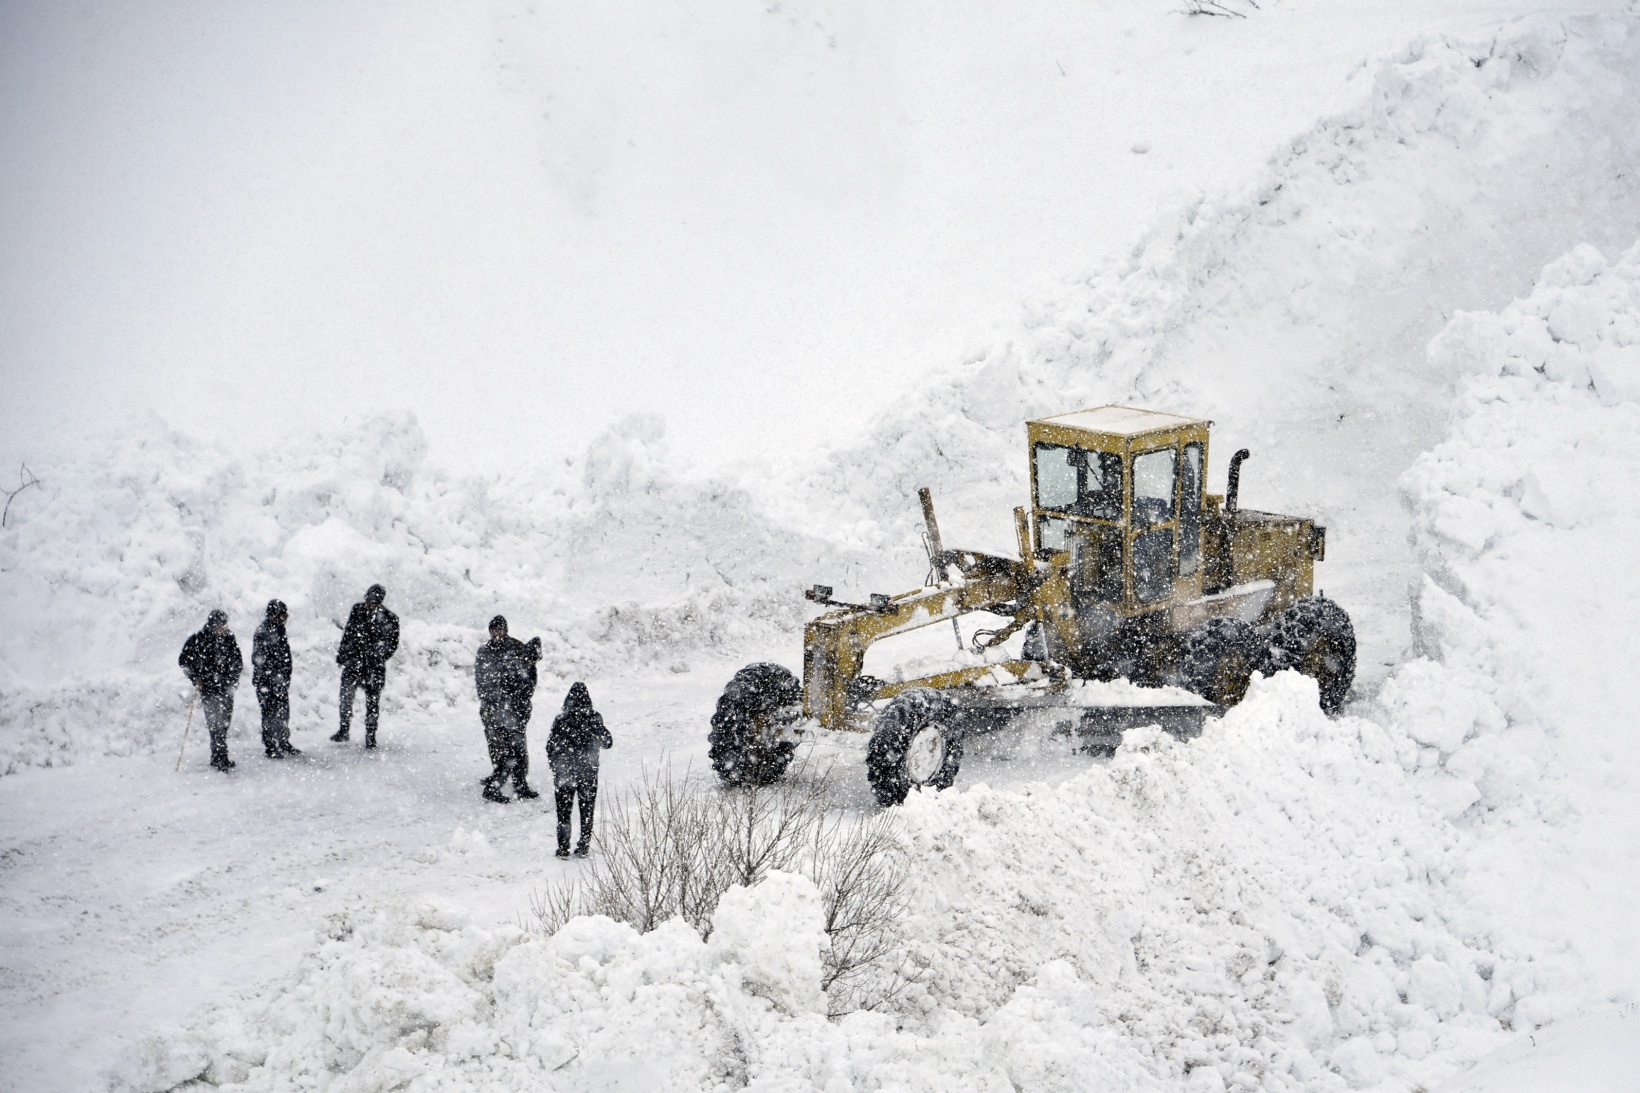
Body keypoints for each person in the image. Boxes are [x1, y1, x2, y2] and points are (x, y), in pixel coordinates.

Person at [473, 616, 542, 804]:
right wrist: (489, 702)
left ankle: (518, 782)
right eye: (493, 630)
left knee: (516, 748)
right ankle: (499, 777)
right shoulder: (485, 652)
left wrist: (518, 703)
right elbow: (481, 680)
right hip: (494, 708)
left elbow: (529, 679)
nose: (496, 634)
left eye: (500, 630)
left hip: (514, 710)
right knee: (497, 746)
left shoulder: (516, 648)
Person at [546, 682, 613, 858]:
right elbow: (608, 743)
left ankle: (563, 847)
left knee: (563, 813)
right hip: (588, 773)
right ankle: (583, 845)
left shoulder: (561, 720)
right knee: (587, 811)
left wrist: (556, 767)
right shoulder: (594, 718)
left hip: (565, 773)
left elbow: (550, 747)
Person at [331, 584, 399, 748]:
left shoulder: (390, 618)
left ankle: (370, 735)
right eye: (368, 600)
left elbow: (392, 644)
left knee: (373, 701)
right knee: (346, 697)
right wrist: (342, 655)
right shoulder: (357, 610)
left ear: (380, 601)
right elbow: (348, 633)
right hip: (354, 662)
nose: (370, 604)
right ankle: (344, 729)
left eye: (374, 601)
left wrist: (379, 656)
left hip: (374, 667)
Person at [178, 609, 243, 772]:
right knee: (215, 724)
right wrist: (195, 678)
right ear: (212, 624)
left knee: (224, 723)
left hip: (226, 689)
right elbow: (184, 661)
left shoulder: (229, 639)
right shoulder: (199, 640)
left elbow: (237, 661)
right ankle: (220, 758)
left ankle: (219, 756)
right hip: (209, 689)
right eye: (219, 625)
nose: (222, 628)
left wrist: (233, 679)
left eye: (224, 624)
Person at [252, 599, 299, 758]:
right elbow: (258, 659)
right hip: (267, 683)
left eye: (285, 614)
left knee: (283, 713)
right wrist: (274, 675)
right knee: (269, 714)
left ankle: (283, 741)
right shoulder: (262, 632)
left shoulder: (279, 630)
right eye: (281, 614)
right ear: (273, 615)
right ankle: (271, 746)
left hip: (280, 682)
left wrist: (283, 677)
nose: (284, 617)